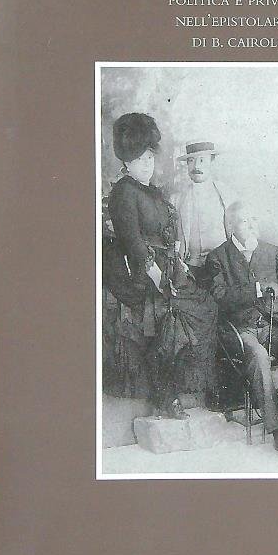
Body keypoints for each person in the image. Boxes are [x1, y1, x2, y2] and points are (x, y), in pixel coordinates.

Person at [106, 113, 218, 417]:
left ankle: (193, 387)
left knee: (206, 307)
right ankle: (166, 394)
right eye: (139, 159)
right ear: (126, 162)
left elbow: (168, 230)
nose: (147, 164)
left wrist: (177, 260)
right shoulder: (124, 192)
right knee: (174, 315)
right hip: (141, 274)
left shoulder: (151, 190)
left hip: (168, 267)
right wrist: (158, 278)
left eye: (149, 158)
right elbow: (133, 242)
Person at [206, 202, 278, 457]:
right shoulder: (218, 257)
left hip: (273, 327)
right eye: (245, 221)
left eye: (254, 219)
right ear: (231, 226)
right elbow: (218, 297)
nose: (252, 225)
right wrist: (255, 290)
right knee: (259, 356)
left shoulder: (273, 252)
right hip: (239, 330)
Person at [173, 141, 236, 285]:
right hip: (190, 268)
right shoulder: (177, 198)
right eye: (191, 160)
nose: (196, 166)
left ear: (212, 162)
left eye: (202, 160)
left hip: (221, 269)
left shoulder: (226, 195)